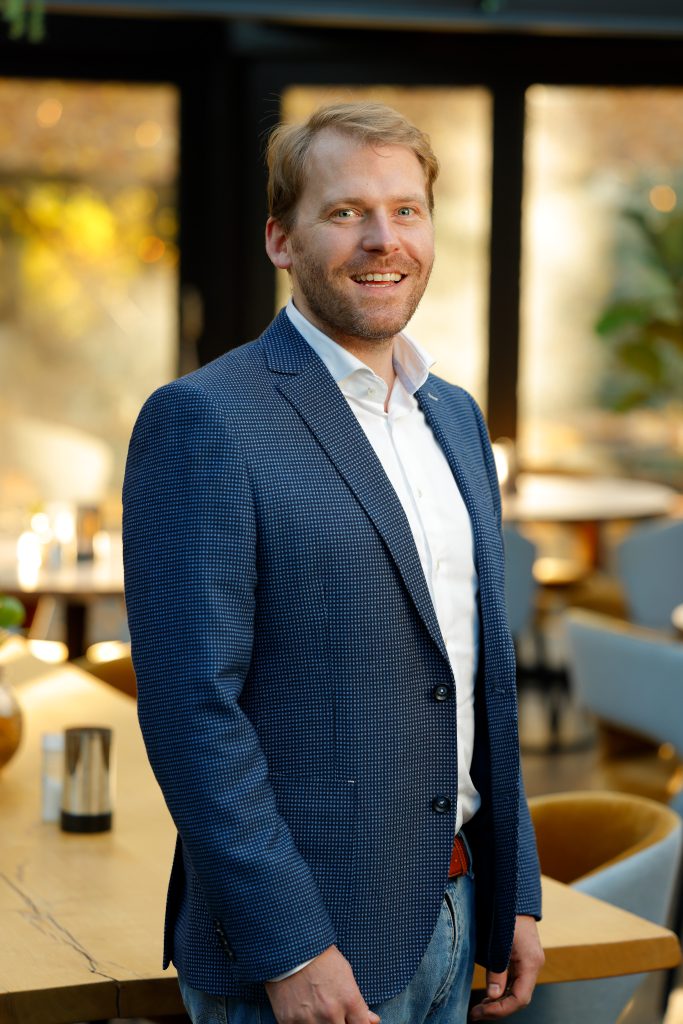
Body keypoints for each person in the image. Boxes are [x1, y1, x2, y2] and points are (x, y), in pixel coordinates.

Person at [123, 101, 544, 1024]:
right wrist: (291, 947)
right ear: (281, 239)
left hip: (457, 914)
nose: (382, 240)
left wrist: (514, 888)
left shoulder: (455, 417)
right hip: (305, 959)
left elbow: (477, 677)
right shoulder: (204, 419)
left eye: (405, 210)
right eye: (346, 211)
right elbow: (192, 712)